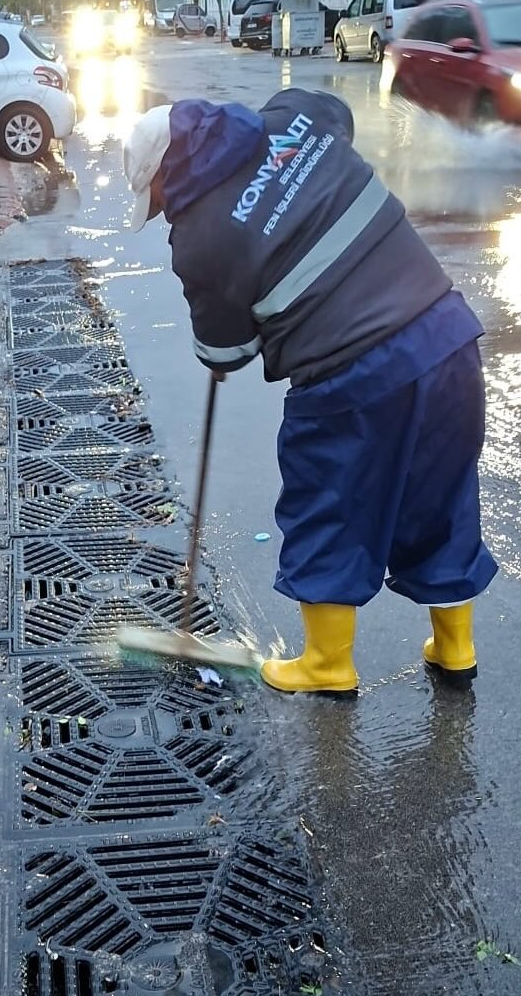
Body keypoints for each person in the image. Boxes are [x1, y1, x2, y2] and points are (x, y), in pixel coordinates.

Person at [122, 91, 498, 695]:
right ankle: (455, 649)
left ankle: (327, 664)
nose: (163, 212)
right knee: (439, 494)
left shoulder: (200, 238)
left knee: (328, 500)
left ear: (168, 174)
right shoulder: (292, 120)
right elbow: (334, 113)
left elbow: (225, 352)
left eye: (157, 199)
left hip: (353, 375)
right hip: (448, 335)